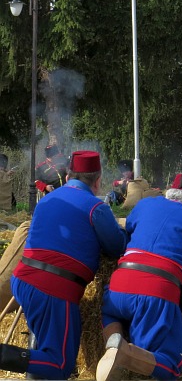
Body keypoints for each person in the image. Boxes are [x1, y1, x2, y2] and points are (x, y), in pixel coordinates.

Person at [0, 151, 126, 378]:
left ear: (68, 177)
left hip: (22, 281)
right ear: (97, 181)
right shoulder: (96, 208)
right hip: (53, 289)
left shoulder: (47, 200)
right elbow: (116, 247)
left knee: (43, 346)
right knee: (61, 365)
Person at [95, 173, 182, 381]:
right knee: (170, 364)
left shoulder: (146, 205)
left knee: (110, 313)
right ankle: (125, 354)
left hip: (118, 285)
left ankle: (113, 342)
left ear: (168, 194)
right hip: (156, 293)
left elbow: (129, 230)